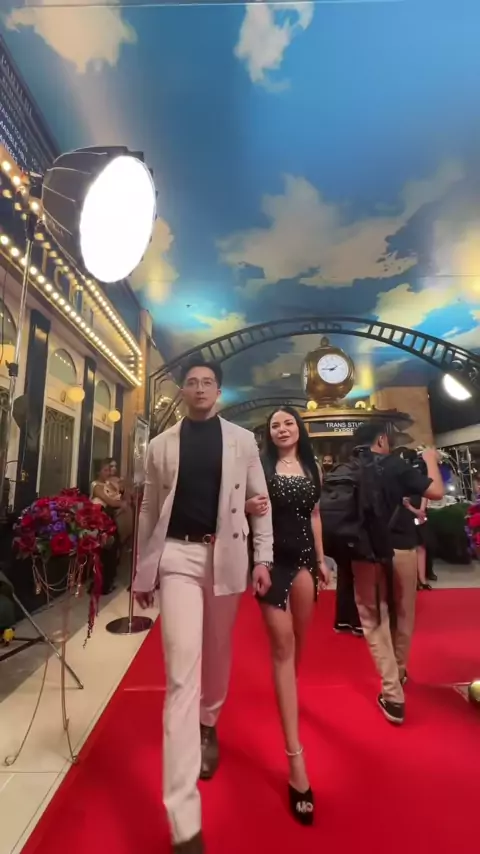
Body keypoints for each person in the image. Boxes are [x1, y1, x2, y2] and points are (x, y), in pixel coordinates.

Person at [133, 358, 273, 854]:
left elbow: (260, 500)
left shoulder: (241, 440)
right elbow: (149, 507)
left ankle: (208, 723)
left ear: (218, 390)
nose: (198, 388)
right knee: (180, 676)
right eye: (191, 382)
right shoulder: (160, 445)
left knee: (217, 651)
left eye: (206, 382)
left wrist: (264, 557)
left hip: (226, 556)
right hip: (177, 557)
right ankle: (184, 820)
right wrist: (143, 570)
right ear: (183, 390)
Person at [246, 406, 330, 826]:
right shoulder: (260, 467)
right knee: (282, 647)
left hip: (304, 563)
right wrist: (246, 503)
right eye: (275, 425)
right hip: (271, 563)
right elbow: (239, 507)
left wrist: (321, 559)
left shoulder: (313, 467)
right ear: (269, 433)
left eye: (288, 423)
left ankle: (289, 692)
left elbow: (314, 514)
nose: (282, 429)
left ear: (299, 429)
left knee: (300, 640)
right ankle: (296, 761)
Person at [348, 422, 444, 725]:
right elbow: (436, 492)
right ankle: (397, 675)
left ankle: (392, 692)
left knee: (373, 619)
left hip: (365, 552)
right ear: (381, 439)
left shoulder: (348, 468)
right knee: (403, 614)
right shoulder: (396, 465)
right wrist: (430, 459)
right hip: (401, 547)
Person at [90, 458, 125, 594]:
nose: (108, 473)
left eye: (109, 470)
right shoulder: (96, 486)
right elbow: (111, 502)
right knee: (105, 552)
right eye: (105, 470)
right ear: (98, 472)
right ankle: (102, 585)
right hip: (100, 521)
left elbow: (118, 495)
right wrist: (123, 504)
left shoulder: (107, 484)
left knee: (112, 550)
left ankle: (107, 581)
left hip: (109, 519)